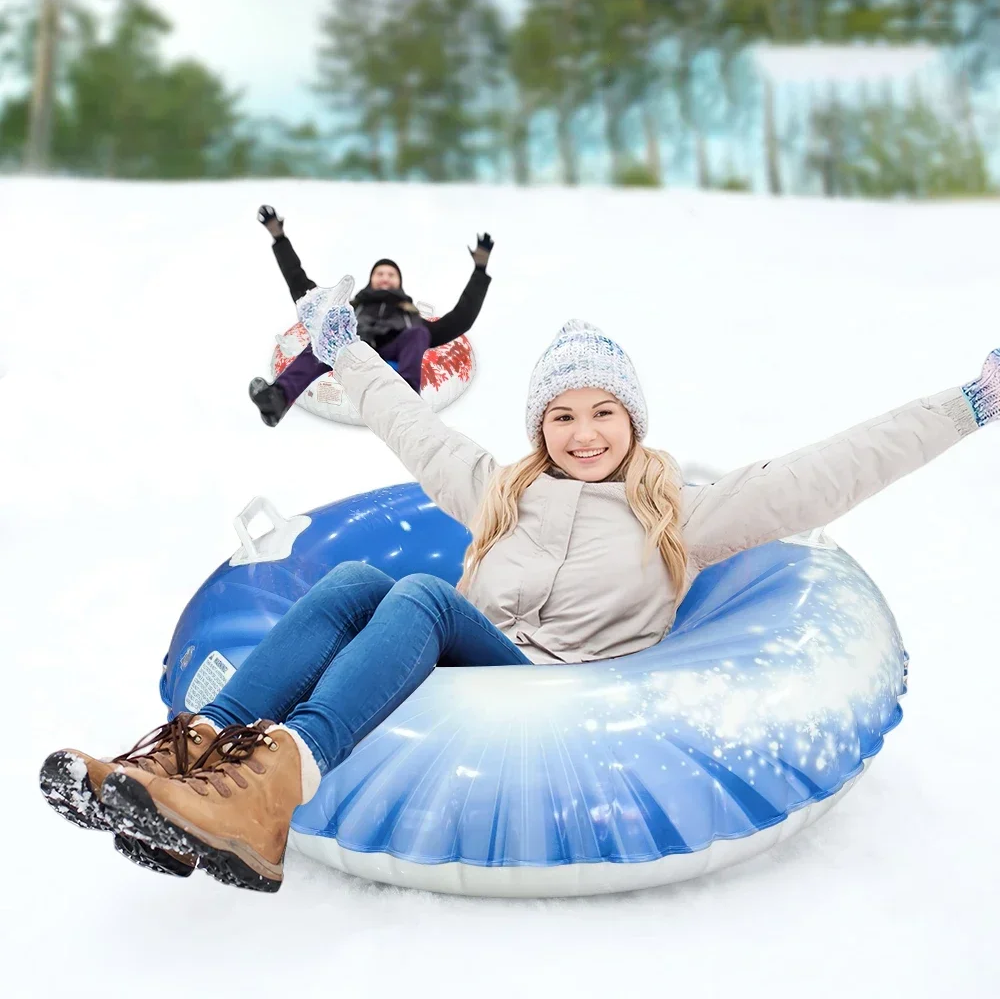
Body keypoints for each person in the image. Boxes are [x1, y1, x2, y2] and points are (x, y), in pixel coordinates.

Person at [40, 311, 999, 892]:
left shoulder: (686, 514)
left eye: (603, 413)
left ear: (633, 420)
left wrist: (970, 403)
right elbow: (409, 426)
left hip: (555, 690)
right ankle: (182, 764)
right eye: (563, 415)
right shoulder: (502, 490)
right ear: (540, 424)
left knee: (414, 593)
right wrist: (345, 353)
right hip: (454, 663)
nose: (584, 434)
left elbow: (830, 471)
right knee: (349, 584)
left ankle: (275, 785)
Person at [248, 205, 495, 426]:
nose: (385, 277)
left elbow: (461, 318)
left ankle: (406, 405)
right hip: (352, 346)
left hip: (395, 351)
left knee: (418, 333)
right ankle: (277, 400)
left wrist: (480, 271)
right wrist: (279, 238)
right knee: (323, 337)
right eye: (380, 273)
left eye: (391, 274)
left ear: (399, 282)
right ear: (371, 280)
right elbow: (302, 288)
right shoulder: (349, 309)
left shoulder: (412, 319)